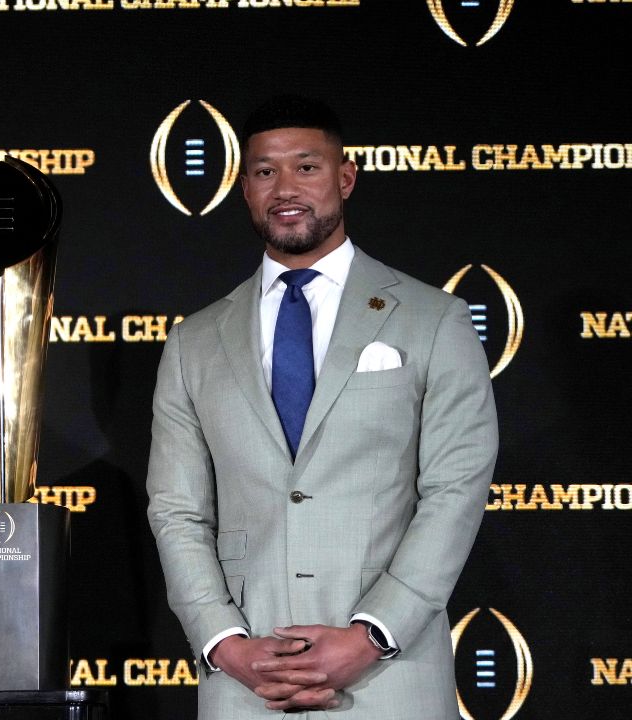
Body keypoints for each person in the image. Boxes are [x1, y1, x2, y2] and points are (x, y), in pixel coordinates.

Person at [146, 95, 498, 718]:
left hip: (393, 677)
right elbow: (178, 511)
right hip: (246, 684)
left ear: (345, 177)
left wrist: (373, 635)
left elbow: (455, 488)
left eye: (306, 167)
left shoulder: (434, 319)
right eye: (263, 171)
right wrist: (225, 644)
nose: (285, 187)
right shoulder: (193, 341)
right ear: (245, 189)